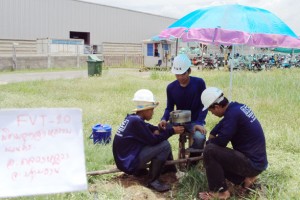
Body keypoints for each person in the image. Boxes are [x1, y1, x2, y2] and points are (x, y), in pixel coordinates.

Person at [198, 87, 268, 200]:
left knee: (210, 151)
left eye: (211, 111)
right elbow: (224, 122)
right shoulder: (236, 107)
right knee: (214, 155)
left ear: (217, 107)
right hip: (258, 161)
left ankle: (221, 192)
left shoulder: (232, 114)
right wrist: (213, 132)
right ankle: (245, 180)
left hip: (252, 164)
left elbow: (222, 141)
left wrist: (209, 142)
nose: (212, 114)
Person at [112, 89, 184, 192]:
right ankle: (153, 180)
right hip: (129, 163)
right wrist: (171, 131)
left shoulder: (132, 118)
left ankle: (164, 169)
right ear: (145, 110)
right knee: (164, 145)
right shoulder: (136, 121)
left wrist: (157, 129)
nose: (153, 113)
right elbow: (153, 141)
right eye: (152, 110)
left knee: (159, 143)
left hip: (124, 159)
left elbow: (147, 127)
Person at [159, 54, 208, 162]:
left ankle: (191, 165)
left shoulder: (199, 83)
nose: (180, 77)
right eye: (177, 75)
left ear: (189, 71)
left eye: (183, 74)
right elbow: (169, 108)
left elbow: (205, 105)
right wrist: (163, 119)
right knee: (159, 132)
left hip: (195, 120)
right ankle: (167, 163)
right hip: (179, 118)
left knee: (200, 138)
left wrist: (200, 122)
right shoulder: (171, 87)